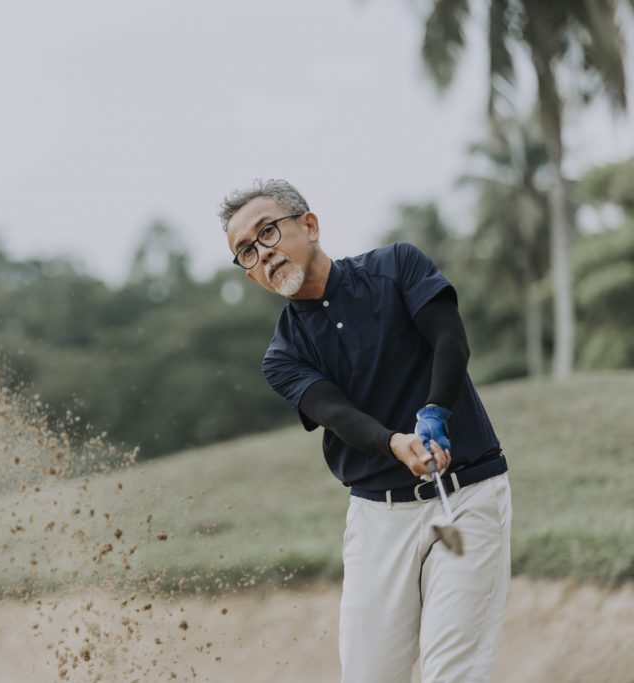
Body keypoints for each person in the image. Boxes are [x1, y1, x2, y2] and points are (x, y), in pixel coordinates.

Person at [219, 179, 512, 683]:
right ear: (249, 274)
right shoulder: (283, 356)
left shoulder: (397, 266)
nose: (262, 254)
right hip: (379, 519)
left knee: (454, 674)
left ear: (308, 226)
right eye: (246, 251)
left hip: (465, 499)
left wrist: (435, 411)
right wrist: (395, 442)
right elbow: (338, 415)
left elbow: (451, 341)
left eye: (267, 233)